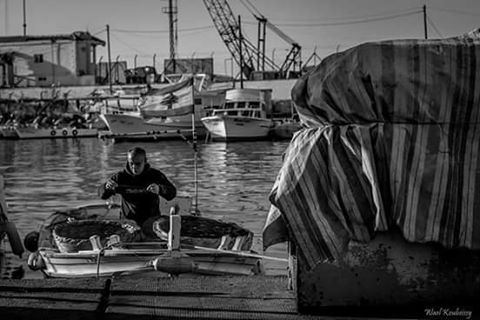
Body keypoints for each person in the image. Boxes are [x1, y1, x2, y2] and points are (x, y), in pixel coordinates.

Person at [98, 147, 177, 226]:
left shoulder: (155, 175)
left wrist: (160, 189)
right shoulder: (120, 177)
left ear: (145, 162)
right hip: (128, 222)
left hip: (152, 220)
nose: (134, 167)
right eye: (131, 163)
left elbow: (172, 193)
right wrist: (106, 187)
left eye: (138, 164)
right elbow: (102, 195)